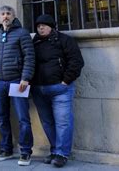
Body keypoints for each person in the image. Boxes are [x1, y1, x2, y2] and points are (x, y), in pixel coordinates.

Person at [31, 14, 84, 168]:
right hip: (39, 89)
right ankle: (55, 150)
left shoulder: (65, 40)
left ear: (52, 26)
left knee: (63, 122)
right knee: (47, 122)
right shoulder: (35, 42)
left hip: (60, 89)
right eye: (38, 25)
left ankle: (62, 154)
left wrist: (66, 80)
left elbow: (76, 61)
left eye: (44, 25)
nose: (41, 28)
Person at [0, 5, 35, 166]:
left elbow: (29, 57)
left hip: (17, 80)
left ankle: (25, 152)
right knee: (1, 117)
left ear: (13, 16)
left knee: (23, 118)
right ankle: (6, 149)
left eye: (8, 13)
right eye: (2, 14)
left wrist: (26, 78)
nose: (5, 16)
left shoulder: (22, 33)